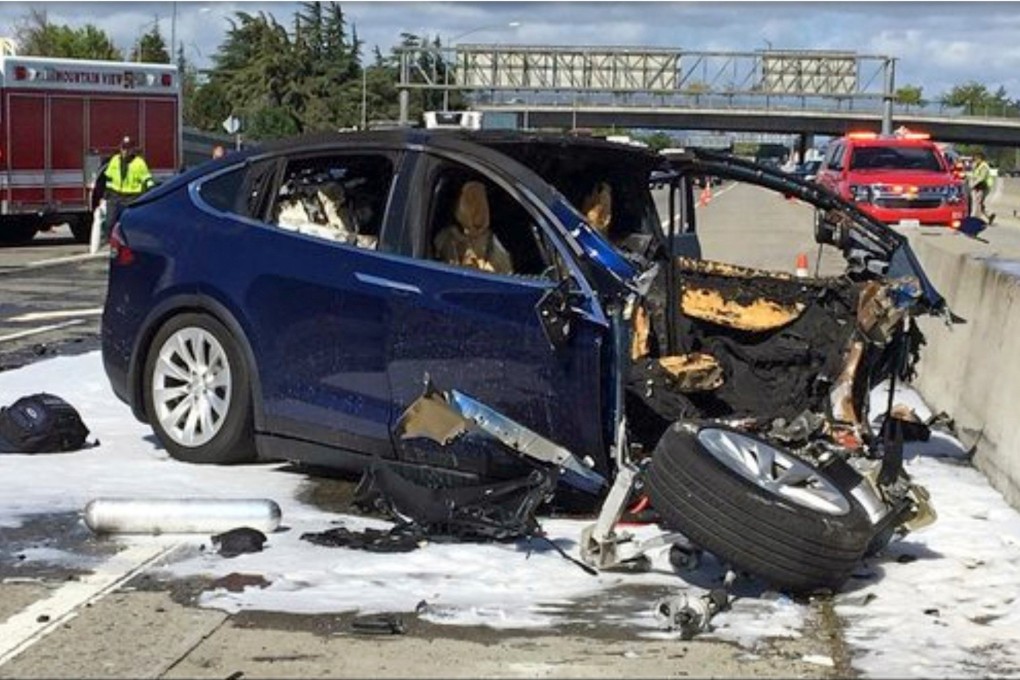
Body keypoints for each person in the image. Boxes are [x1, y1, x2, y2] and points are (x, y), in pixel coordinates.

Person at [433, 180, 513, 275]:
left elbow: (504, 274)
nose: (476, 209)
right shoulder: (446, 237)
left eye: (480, 201)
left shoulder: (492, 242)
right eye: (470, 200)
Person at [102, 136, 156, 242]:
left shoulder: (139, 163)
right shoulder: (114, 160)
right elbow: (109, 178)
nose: (125, 151)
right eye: (123, 148)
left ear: (132, 150)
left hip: (132, 197)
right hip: (115, 196)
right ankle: (110, 241)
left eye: (127, 149)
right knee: (109, 222)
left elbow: (147, 179)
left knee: (128, 222)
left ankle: (129, 242)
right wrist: (106, 193)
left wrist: (152, 192)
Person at [969, 151, 995, 225]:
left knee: (977, 202)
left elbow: (981, 178)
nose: (975, 160)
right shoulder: (978, 165)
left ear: (980, 158)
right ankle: (989, 215)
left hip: (983, 187)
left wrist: (973, 184)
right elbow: (974, 175)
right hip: (979, 186)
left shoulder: (984, 166)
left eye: (976, 158)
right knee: (979, 203)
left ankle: (975, 218)